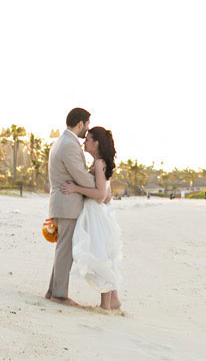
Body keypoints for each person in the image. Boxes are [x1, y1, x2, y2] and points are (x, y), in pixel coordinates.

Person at [60, 125, 123, 312]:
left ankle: (106, 304)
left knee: (100, 255)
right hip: (99, 213)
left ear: (96, 143)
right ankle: (114, 300)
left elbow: (101, 194)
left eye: (87, 139)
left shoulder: (98, 163)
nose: (84, 142)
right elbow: (108, 193)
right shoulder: (99, 162)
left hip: (97, 215)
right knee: (104, 255)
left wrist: (75, 189)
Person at [44, 108, 96, 308]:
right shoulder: (69, 145)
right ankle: (59, 294)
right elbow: (80, 175)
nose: (88, 129)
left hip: (62, 203)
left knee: (62, 249)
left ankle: (52, 290)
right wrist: (99, 184)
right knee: (66, 250)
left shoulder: (60, 141)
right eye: (88, 124)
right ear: (81, 123)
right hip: (67, 204)